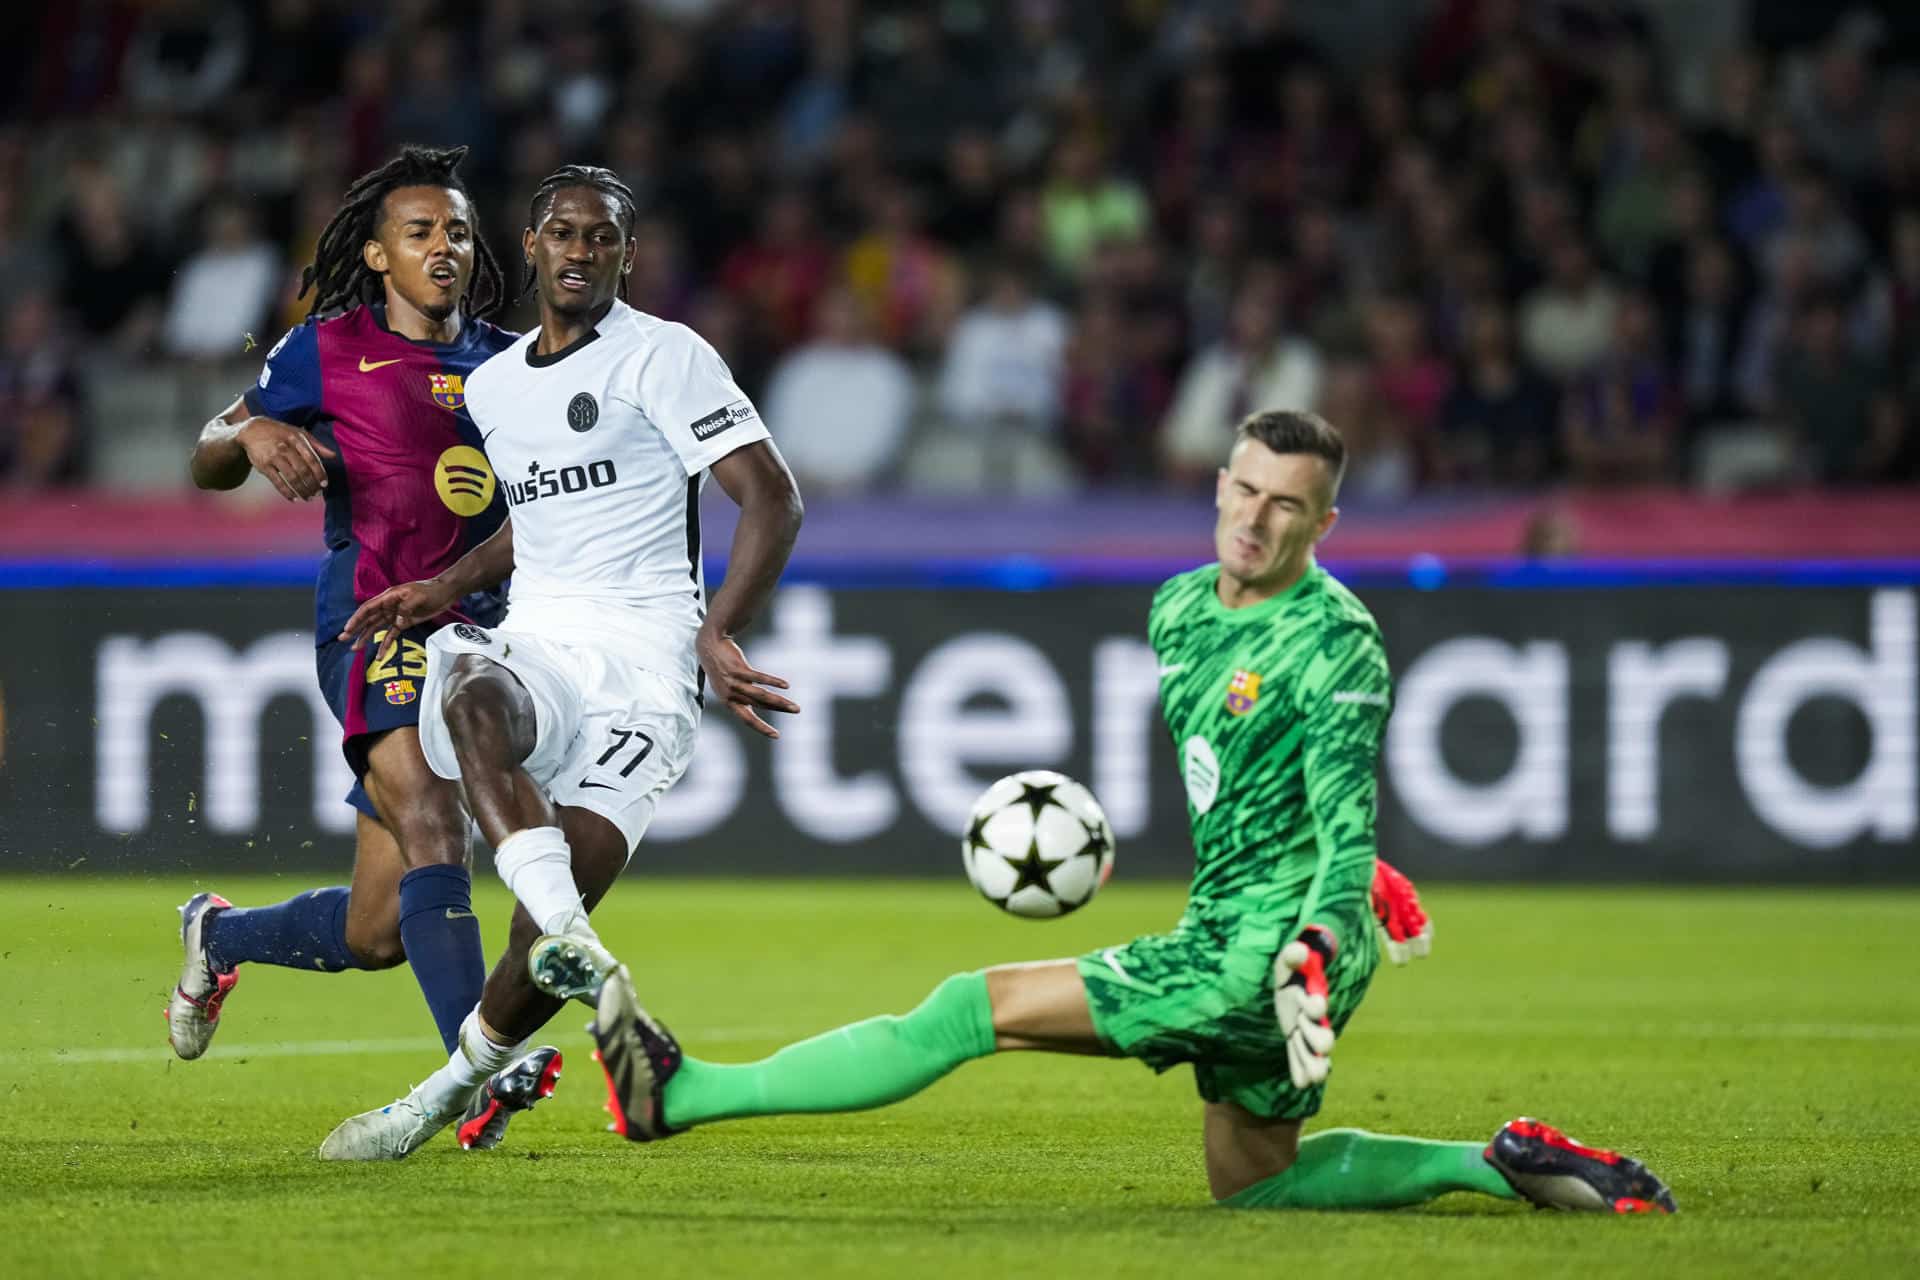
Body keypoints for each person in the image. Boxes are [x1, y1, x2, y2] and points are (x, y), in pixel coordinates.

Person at [580, 411, 1676, 1216]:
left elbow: (1342, 810)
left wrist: (1327, 923)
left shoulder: (1336, 643)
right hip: (1260, 936)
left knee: (969, 1006)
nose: (1257, 517)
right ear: (1219, 482)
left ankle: (680, 1094)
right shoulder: (1180, 610)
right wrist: (1352, 887)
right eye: (1246, 489)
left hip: (1269, 953)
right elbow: (1265, 786)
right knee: (1257, 1183)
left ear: (1326, 520)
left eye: (1288, 503)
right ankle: (1495, 1160)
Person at [315, 165, 805, 1160]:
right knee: (467, 681)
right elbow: (532, 523)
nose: (582, 251)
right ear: (531, 246)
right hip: (542, 641)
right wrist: (446, 587)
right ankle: (577, 945)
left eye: (603, 238)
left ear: (626, 253)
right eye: (565, 234)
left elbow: (773, 497)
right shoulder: (493, 388)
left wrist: (721, 628)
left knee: (535, 945)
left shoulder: (666, 357)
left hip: (648, 669)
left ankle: (442, 1090)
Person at [171, 145, 555, 1146]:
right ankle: (481, 1073)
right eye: (421, 231)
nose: (443, 247)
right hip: (375, 623)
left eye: (459, 232)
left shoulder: (517, 363)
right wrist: (249, 436)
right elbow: (209, 455)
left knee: (375, 930)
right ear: (379, 254)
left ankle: (218, 932)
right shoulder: (326, 349)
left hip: (486, 629)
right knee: (436, 818)